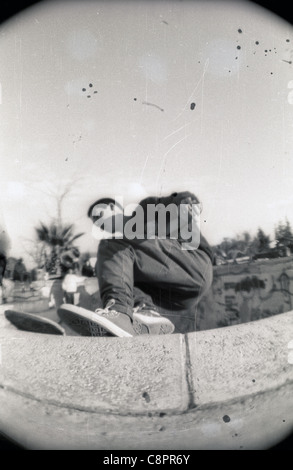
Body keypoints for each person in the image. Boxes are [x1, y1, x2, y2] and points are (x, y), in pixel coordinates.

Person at [85, 191, 214, 337]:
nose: (98, 225)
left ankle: (119, 312)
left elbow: (176, 201)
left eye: (98, 216)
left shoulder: (144, 209)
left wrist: (185, 203)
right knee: (114, 266)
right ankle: (147, 314)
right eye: (95, 222)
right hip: (176, 297)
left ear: (113, 207)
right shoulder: (124, 253)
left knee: (110, 246)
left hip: (195, 265)